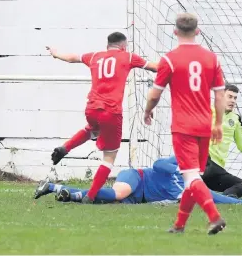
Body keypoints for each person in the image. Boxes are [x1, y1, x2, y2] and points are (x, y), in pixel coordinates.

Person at [45, 32, 158, 204]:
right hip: (111, 112)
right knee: (109, 157)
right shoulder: (127, 56)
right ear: (123, 46)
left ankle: (65, 147)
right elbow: (155, 67)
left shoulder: (95, 56)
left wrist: (55, 53)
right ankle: (90, 196)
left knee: (92, 130)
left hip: (92, 108)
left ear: (107, 46)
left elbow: (71, 58)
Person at [143, 12, 227, 235]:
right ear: (198, 32)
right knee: (193, 176)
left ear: (175, 32)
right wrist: (218, 123)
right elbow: (219, 95)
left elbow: (154, 95)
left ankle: (214, 216)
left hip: (183, 127)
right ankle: (179, 225)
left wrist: (148, 110)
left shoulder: (169, 59)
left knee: (190, 177)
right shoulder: (212, 58)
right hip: (204, 126)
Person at [33, 156, 242, 205]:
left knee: (108, 203)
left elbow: (214, 197)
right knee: (117, 194)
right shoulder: (177, 164)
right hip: (136, 178)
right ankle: (71, 196)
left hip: (139, 199)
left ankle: (54, 187)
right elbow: (157, 165)